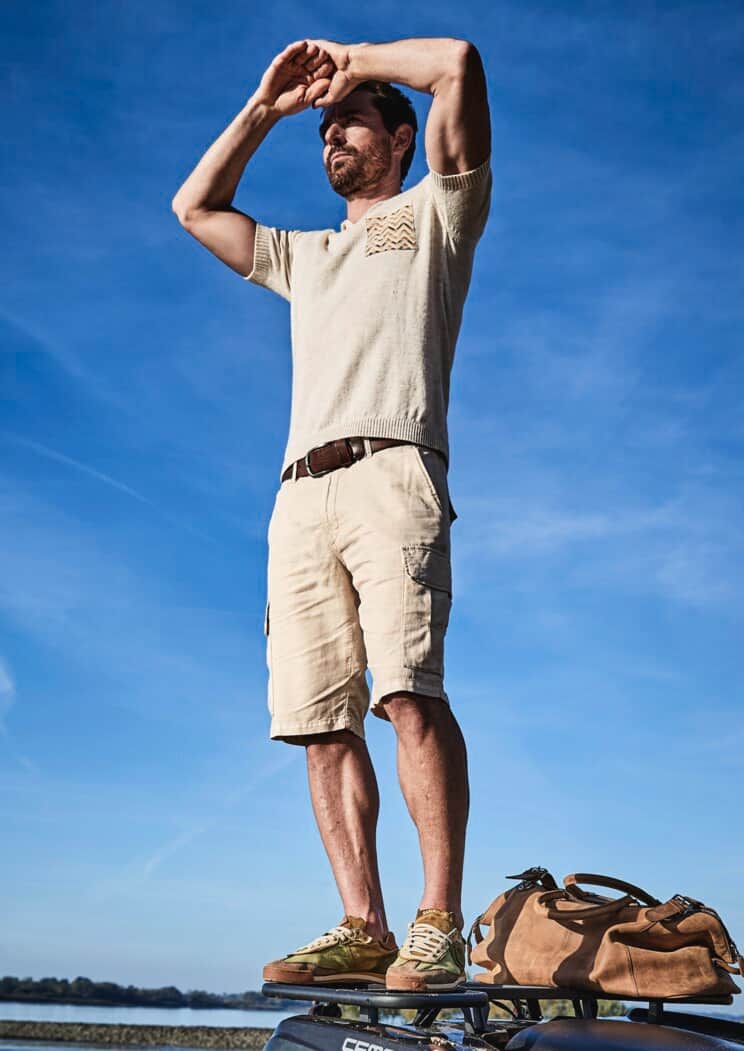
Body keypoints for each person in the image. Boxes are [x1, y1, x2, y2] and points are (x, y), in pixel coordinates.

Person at [172, 36, 492, 991]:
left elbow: (459, 64)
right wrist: (266, 108)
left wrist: (353, 60)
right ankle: (366, 925)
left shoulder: (436, 214)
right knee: (320, 721)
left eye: (348, 121)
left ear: (400, 139)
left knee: (405, 693)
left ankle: (436, 922)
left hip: (392, 467)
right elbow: (195, 207)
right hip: (298, 495)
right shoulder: (303, 254)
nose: (332, 138)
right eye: (323, 131)